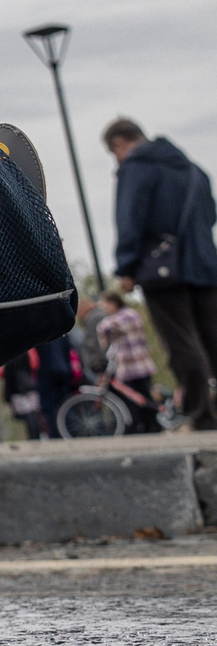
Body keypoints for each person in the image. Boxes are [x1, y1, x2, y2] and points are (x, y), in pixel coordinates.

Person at [106, 118, 217, 431]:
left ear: (119, 144)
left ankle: (202, 416)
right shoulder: (195, 171)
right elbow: (211, 213)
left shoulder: (135, 168)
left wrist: (126, 267)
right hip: (207, 265)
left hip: (163, 271)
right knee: (213, 340)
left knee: (182, 343)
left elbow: (130, 219)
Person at [98, 292, 164, 433]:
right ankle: (145, 425)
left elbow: (104, 326)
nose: (104, 309)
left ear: (113, 303)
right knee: (136, 398)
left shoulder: (128, 315)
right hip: (129, 366)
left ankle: (153, 425)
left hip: (136, 364)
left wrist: (103, 329)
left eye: (105, 305)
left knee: (143, 397)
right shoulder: (124, 316)